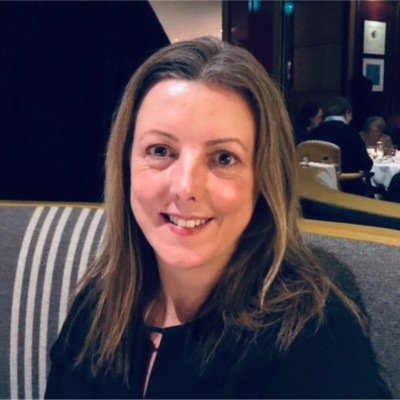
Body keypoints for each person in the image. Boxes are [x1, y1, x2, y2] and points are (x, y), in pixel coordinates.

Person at [45, 37, 390, 399]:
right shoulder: (99, 304)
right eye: (160, 150)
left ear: (264, 180)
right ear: (125, 165)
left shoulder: (314, 334)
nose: (185, 187)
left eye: (224, 158)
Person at [309, 96, 373, 196]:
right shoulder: (350, 132)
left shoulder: (314, 132)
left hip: (317, 186)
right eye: (351, 115)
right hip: (347, 188)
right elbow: (366, 165)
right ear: (347, 113)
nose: (351, 119)